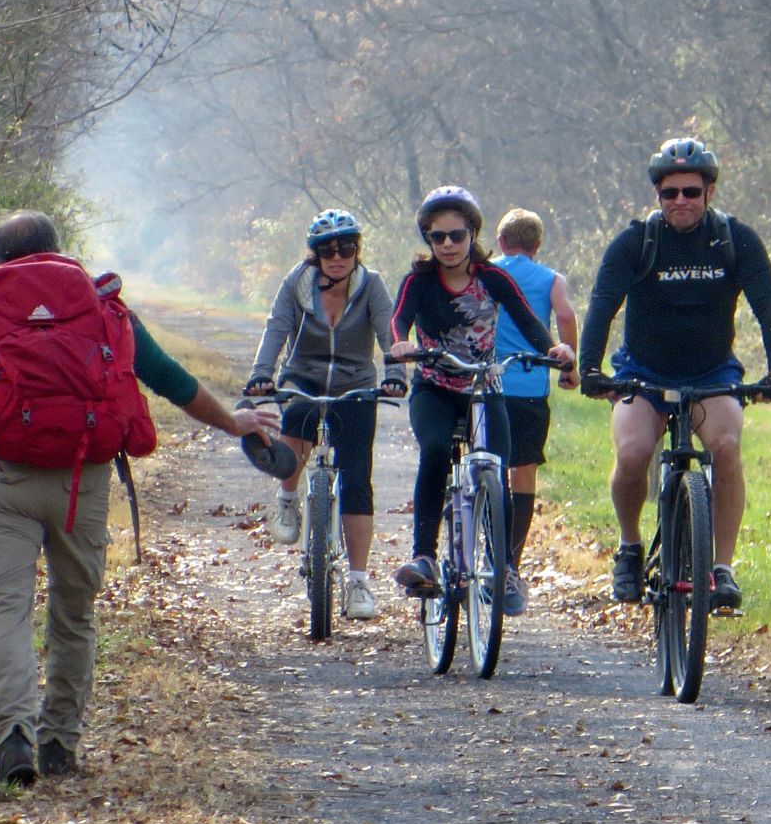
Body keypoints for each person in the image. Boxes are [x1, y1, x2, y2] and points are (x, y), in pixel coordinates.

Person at [0, 210, 279, 788]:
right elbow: (170, 379)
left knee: (2, 611)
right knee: (73, 611)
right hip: (82, 479)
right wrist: (231, 423)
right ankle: (60, 742)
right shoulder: (100, 307)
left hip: (5, 481)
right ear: (58, 249)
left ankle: (12, 737)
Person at [576, 137, 771, 611]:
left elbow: (768, 307)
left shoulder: (735, 241)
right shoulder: (637, 242)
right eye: (669, 192)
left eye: (690, 192)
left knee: (727, 446)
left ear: (709, 192)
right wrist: (590, 366)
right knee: (633, 453)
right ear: (657, 195)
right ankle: (630, 548)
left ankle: (722, 569)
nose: (680, 202)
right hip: (642, 372)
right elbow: (602, 307)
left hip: (711, 372)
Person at [388, 186, 574, 601]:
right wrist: (401, 343)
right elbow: (399, 319)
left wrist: (553, 349)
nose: (449, 244)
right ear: (428, 240)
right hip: (434, 388)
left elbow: (528, 321)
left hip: (483, 387)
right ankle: (424, 557)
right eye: (438, 237)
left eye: (457, 235)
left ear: (473, 234)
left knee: (497, 466)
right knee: (436, 449)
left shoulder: (493, 277)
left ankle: (505, 569)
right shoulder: (419, 281)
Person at [245, 209, 408, 622]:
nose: (337, 256)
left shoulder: (371, 285)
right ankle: (287, 499)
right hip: (304, 376)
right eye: (327, 249)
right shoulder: (295, 285)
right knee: (296, 425)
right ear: (315, 254)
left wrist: (394, 374)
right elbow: (276, 329)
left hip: (355, 382)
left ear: (357, 250)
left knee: (357, 478)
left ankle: (358, 582)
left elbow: (391, 334)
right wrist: (261, 375)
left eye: (346, 248)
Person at [491, 208, 579, 616]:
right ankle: (511, 562)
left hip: (487, 383)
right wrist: (569, 366)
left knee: (485, 464)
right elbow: (565, 315)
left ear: (501, 241)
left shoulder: (486, 272)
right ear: (537, 245)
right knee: (522, 473)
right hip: (528, 387)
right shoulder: (550, 279)